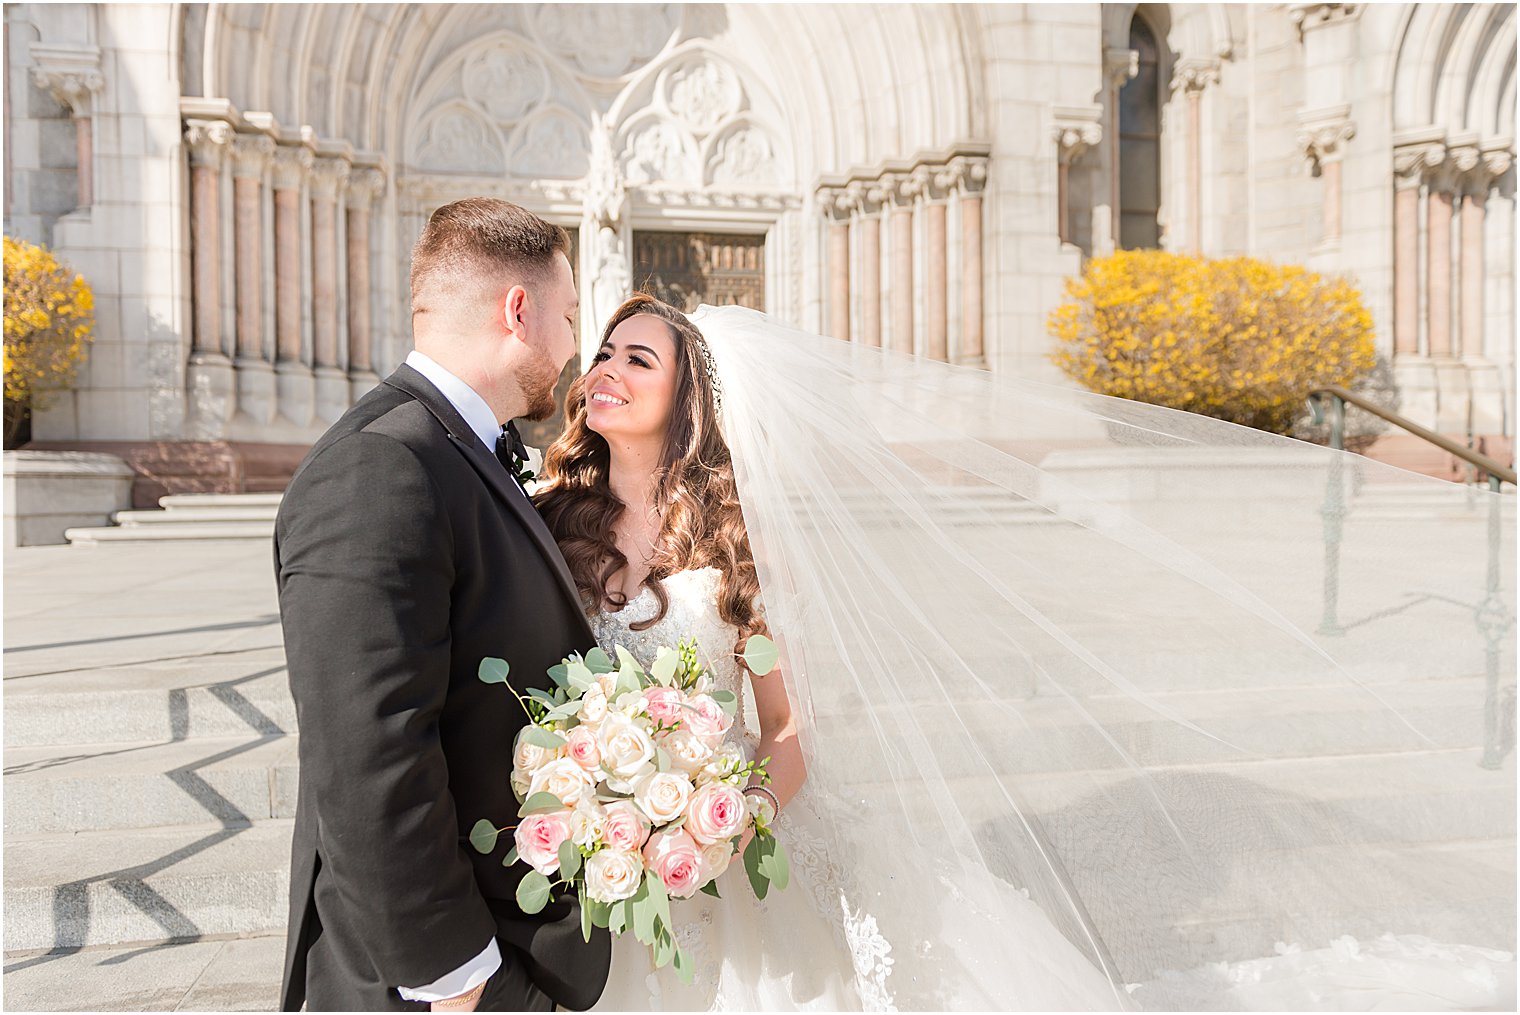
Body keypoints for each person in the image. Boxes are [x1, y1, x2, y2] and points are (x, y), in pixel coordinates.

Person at [534, 295, 1516, 1011]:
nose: (606, 372)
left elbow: (786, 728)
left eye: (639, 360)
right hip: (598, 859)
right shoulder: (545, 521)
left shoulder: (735, 542)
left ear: (687, 397)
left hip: (723, 852)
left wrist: (724, 828)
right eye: (605, 353)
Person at [276, 198, 611, 1012]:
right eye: (569, 318)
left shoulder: (459, 448)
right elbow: (370, 752)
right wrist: (456, 973)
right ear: (518, 311)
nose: (573, 349)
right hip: (428, 978)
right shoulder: (380, 466)